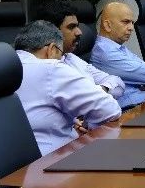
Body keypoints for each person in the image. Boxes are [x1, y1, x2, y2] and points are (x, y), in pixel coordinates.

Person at [14, 20, 122, 155]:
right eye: (60, 54)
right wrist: (86, 123)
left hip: (17, 161)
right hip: (56, 159)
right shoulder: (51, 68)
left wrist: (71, 120)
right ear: (52, 49)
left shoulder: (5, 68)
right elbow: (110, 109)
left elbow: (38, 113)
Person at [33, 0, 126, 105]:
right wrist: (96, 95)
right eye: (71, 27)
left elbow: (118, 83)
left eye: (77, 26)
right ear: (51, 31)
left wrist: (100, 91)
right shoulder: (39, 69)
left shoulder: (70, 57)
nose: (79, 32)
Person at [92, 1, 145, 107]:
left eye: (132, 23)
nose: (131, 28)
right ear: (107, 25)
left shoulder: (117, 47)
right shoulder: (104, 52)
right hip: (134, 110)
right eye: (125, 22)